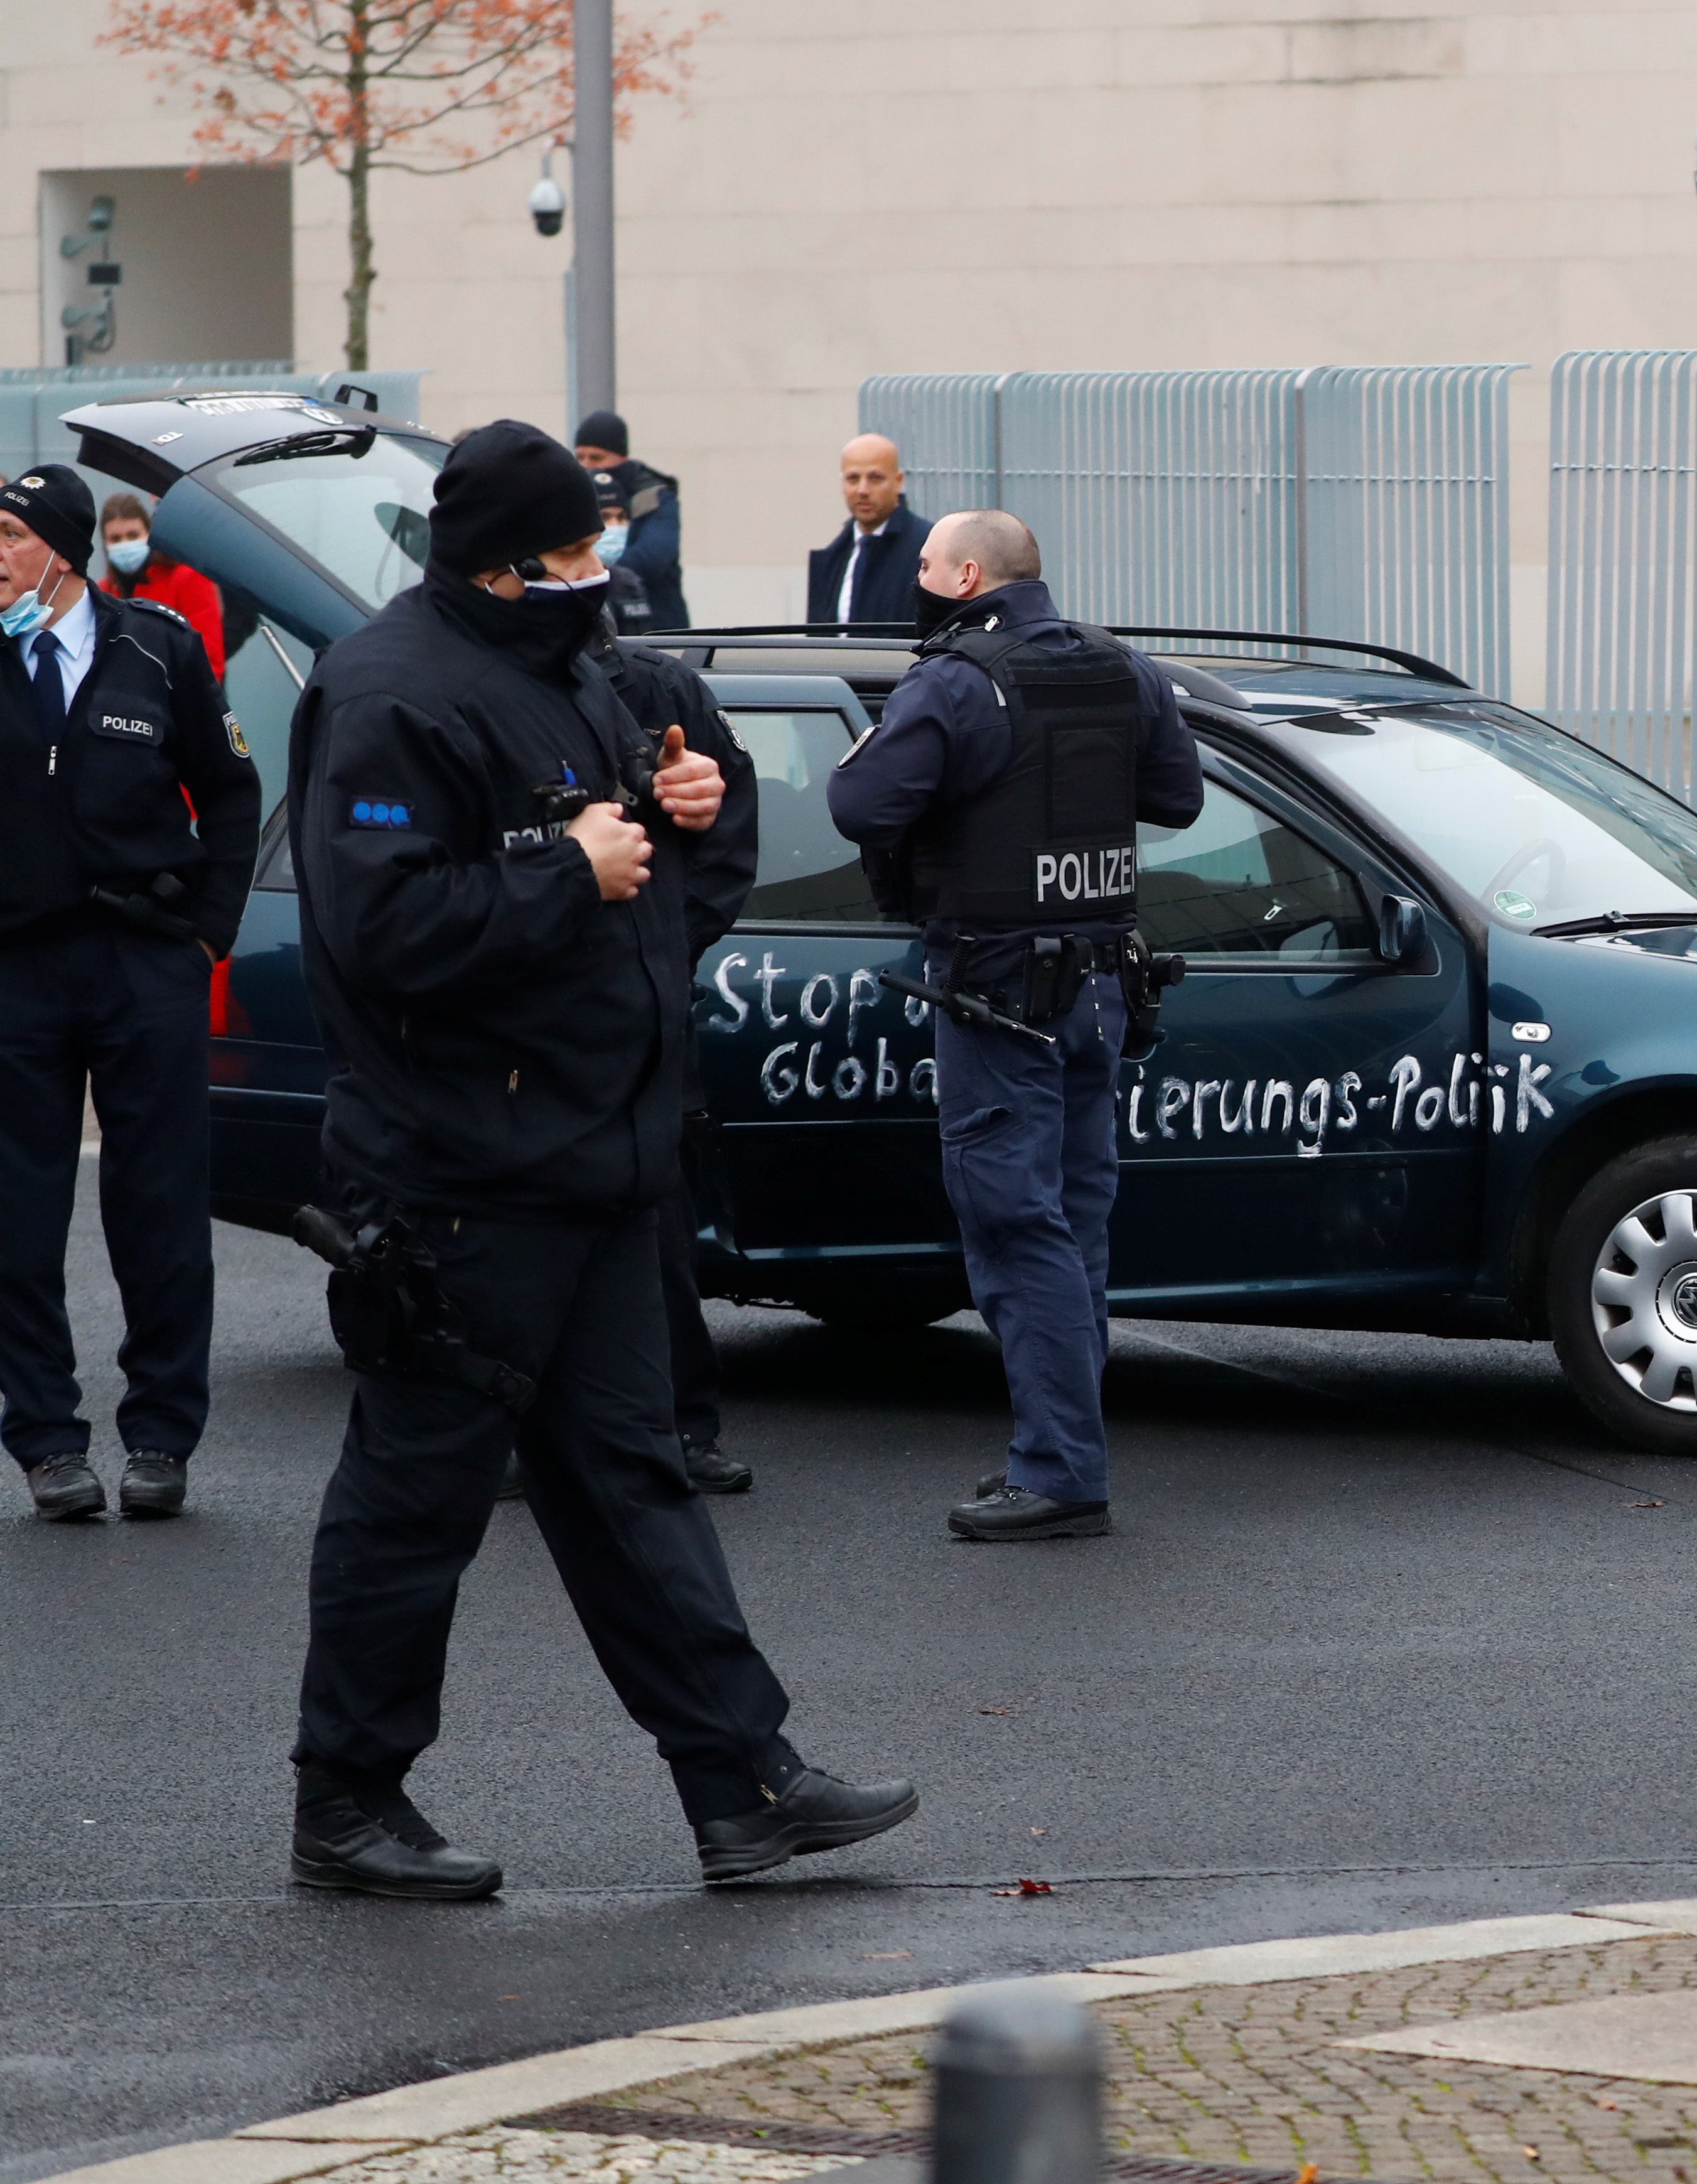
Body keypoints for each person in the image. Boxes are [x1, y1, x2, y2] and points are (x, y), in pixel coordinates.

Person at [284, 419, 909, 1896]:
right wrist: (567, 865)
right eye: (572, 553)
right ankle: (347, 1803)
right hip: (461, 1175)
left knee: (633, 1479)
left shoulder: (562, 667)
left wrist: (676, 819)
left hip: (599, 1155)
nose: (599, 571)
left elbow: (636, 868)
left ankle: (742, 1783)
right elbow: (379, 931)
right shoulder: (388, 694)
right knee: (416, 1494)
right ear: (503, 570)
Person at [824, 511, 1200, 1543]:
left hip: (999, 992)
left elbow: (858, 803)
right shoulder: (1121, 666)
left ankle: (1061, 1469)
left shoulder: (955, 679)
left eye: (930, 567)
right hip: (1099, 989)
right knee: (1074, 1220)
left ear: (971, 574)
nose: (921, 581)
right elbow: (1179, 796)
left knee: (1012, 1223)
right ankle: (1067, 1452)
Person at [0, 465, 254, 1524]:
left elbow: (233, 792)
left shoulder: (159, 647)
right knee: (17, 1216)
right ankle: (49, 1442)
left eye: (5, 537)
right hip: (18, 973)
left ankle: (160, 1433)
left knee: (157, 1206)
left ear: (58, 548)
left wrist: (206, 934)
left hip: (146, 961)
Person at [595, 589, 760, 1495]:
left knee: (658, 1230)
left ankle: (684, 1428)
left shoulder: (663, 692)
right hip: (523, 1017)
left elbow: (731, 835)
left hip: (646, 1014)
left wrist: (663, 947)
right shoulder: (485, 692)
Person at [571, 410, 686, 630]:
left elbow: (653, 557)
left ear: (621, 457)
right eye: (580, 457)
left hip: (656, 622)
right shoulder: (573, 493)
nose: (587, 465)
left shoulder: (652, 496)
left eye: (596, 458)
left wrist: (597, 576)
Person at [94, 493, 227, 676]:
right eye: (116, 539)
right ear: (105, 543)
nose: (125, 544)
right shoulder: (102, 593)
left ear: (149, 534)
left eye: (133, 535)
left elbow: (207, 659)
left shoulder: (187, 578)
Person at [807, 435, 930, 629]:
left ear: (898, 482)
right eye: (853, 478)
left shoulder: (927, 552)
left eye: (875, 478)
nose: (863, 490)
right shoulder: (833, 557)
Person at [589, 470, 661, 637]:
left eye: (622, 517)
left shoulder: (629, 583)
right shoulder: (564, 583)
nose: (615, 526)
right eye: (604, 517)